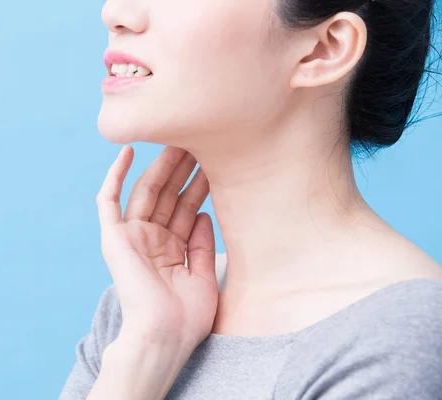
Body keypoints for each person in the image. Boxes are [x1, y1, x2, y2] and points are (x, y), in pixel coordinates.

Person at [60, 0, 442, 398]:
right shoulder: (140, 309)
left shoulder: (393, 336)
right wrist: (144, 354)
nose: (115, 12)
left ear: (324, 49)